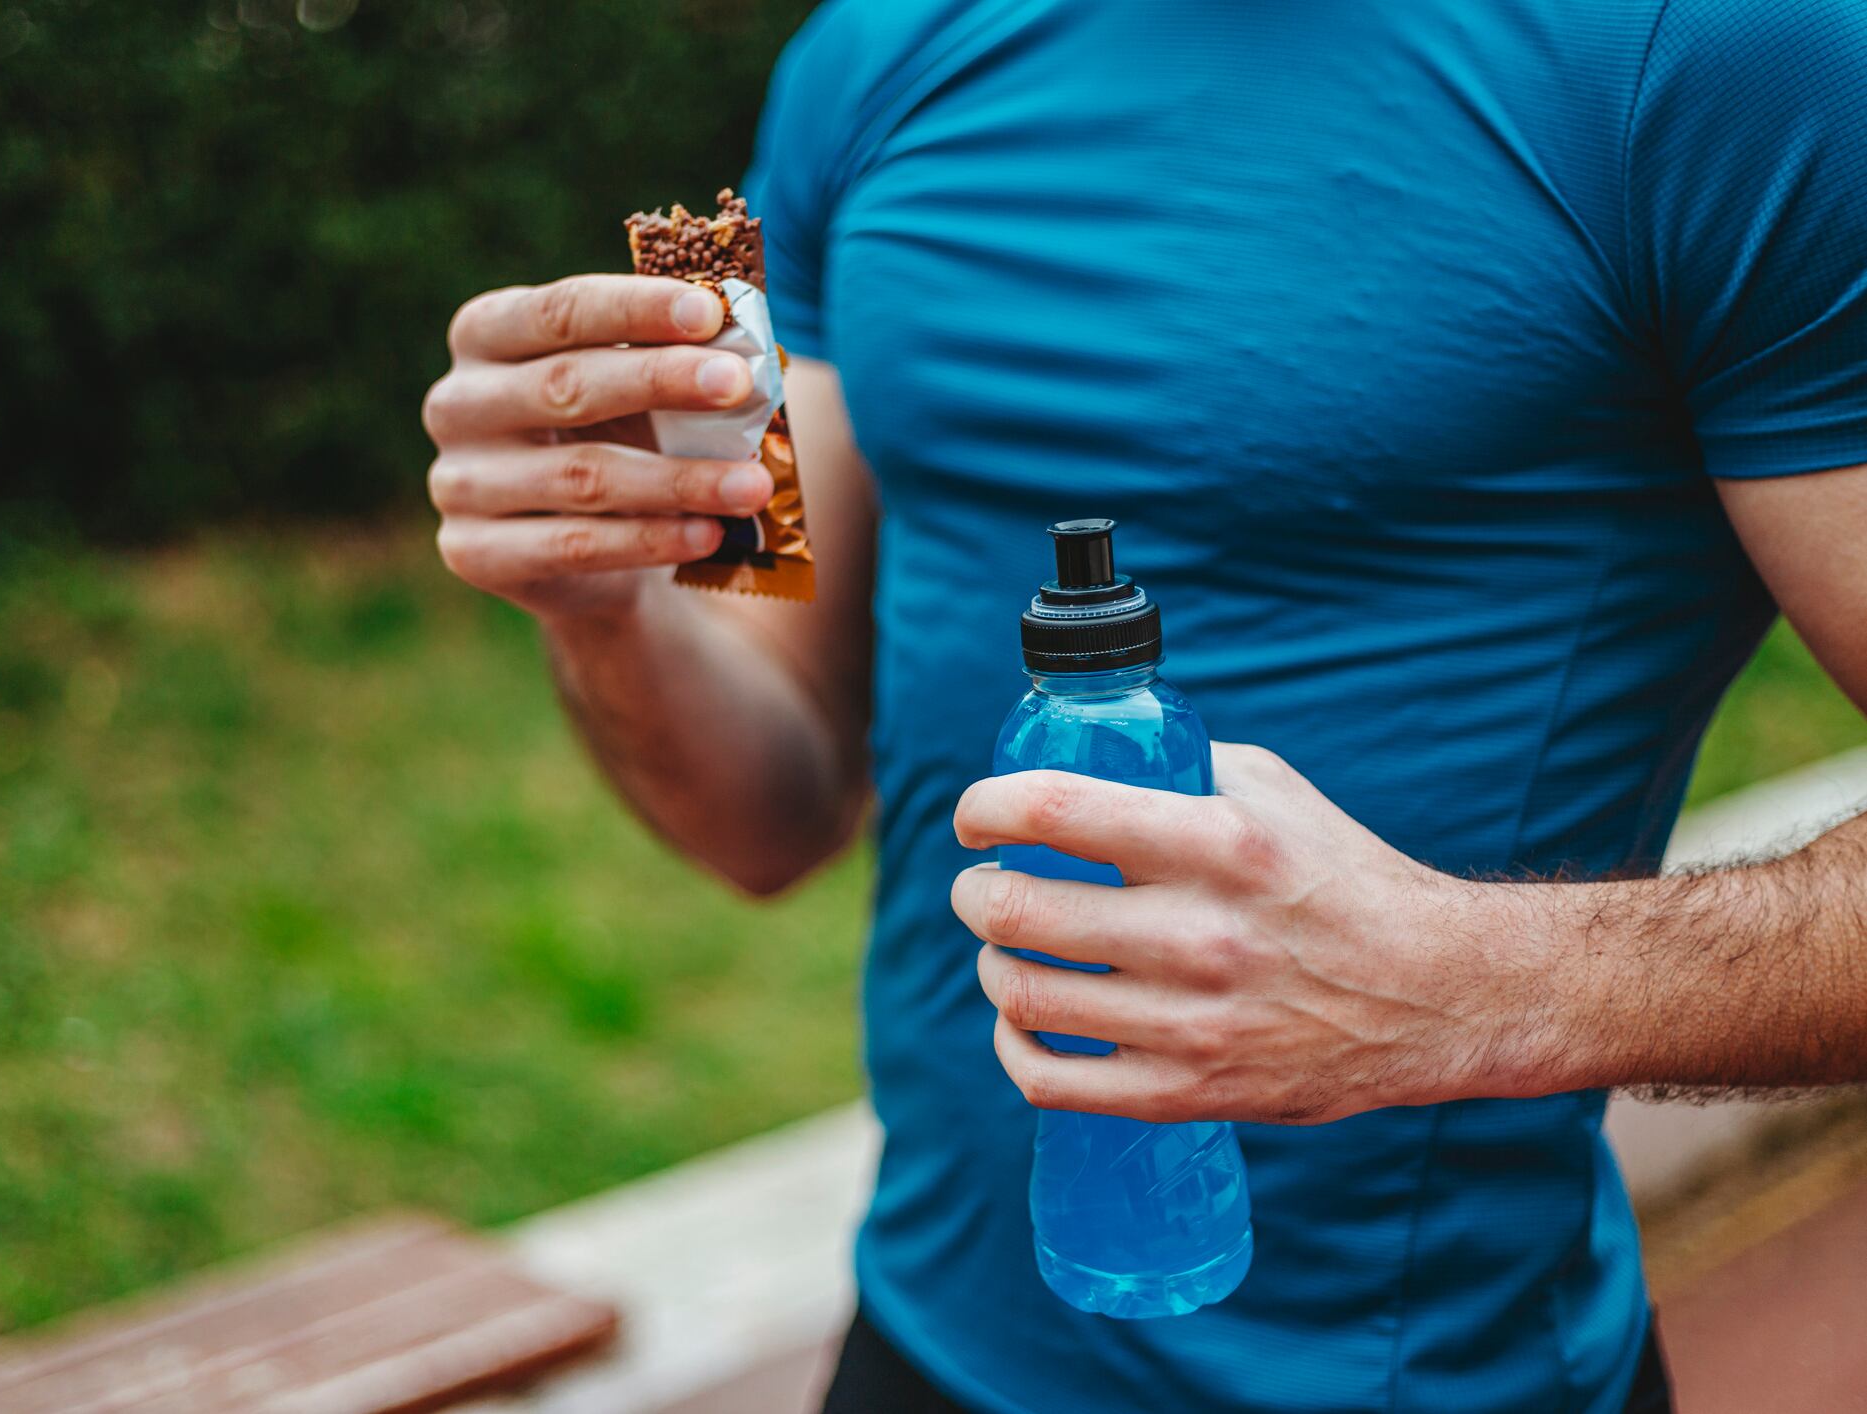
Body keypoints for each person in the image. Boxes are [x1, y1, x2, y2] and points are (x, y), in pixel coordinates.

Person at [421, 2, 1867, 1409]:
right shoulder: (864, 54)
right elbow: (769, 805)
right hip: (923, 1340)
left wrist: (1482, 985)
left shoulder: (1732, 52)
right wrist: (602, 600)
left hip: (1425, 1377)